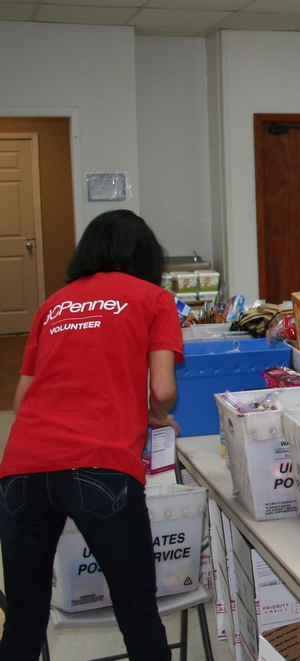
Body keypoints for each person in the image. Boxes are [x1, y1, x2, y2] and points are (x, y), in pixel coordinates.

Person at [0, 210, 183, 661]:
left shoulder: (53, 304)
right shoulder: (152, 299)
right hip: (100, 466)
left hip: (22, 468)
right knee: (137, 613)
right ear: (145, 256)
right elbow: (162, 391)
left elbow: (22, 399)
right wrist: (152, 416)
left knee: (24, 618)